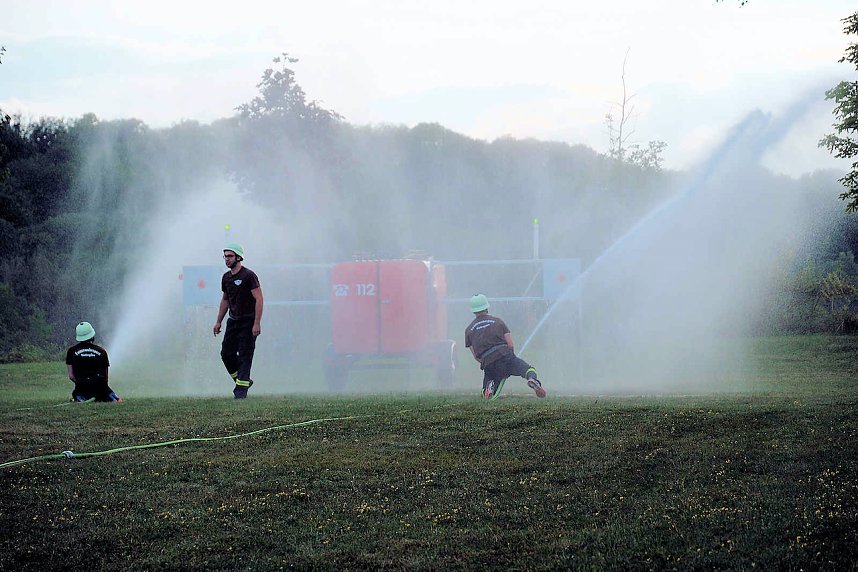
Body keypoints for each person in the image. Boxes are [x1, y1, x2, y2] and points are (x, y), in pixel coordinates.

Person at [464, 294, 546, 400]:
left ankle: (489, 389)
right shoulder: (498, 322)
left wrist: (488, 362)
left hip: (488, 362)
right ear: (486, 307)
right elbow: (510, 344)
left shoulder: (469, 330)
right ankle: (532, 380)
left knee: (488, 390)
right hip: (505, 355)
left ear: (473, 310)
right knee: (528, 369)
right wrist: (509, 361)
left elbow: (476, 355)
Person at [213, 242, 264, 399]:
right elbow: (225, 300)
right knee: (226, 354)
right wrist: (218, 321)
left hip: (248, 322)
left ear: (239, 257)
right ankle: (243, 381)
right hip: (233, 322)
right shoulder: (226, 278)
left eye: (230, 256)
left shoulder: (249, 276)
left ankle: (240, 393)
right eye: (225, 256)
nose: (227, 259)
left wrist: (256, 323)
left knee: (244, 356)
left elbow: (259, 299)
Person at [65, 321, 122, 402]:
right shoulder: (101, 351)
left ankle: (81, 398)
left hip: (81, 390)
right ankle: (113, 398)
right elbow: (105, 377)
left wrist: (82, 384)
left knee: (79, 397)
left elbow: (71, 376)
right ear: (92, 335)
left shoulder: (71, 351)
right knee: (116, 399)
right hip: (101, 389)